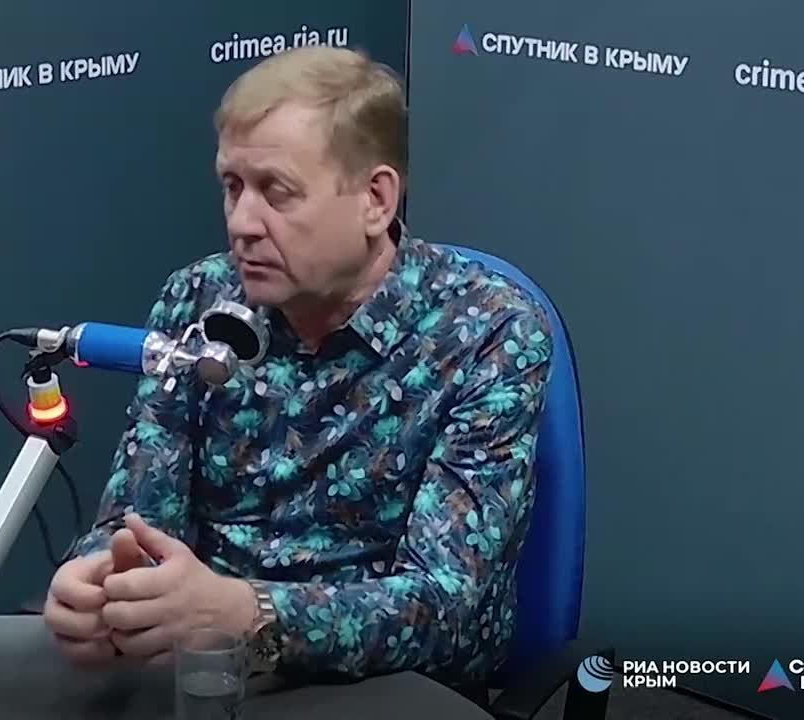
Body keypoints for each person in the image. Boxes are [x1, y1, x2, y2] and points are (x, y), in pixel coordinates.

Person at [42, 45, 552, 693]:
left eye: (276, 192)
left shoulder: (488, 332)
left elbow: (447, 607)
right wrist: (99, 579)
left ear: (375, 199)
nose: (242, 223)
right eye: (232, 187)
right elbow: (136, 518)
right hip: (197, 661)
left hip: (385, 683)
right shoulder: (197, 300)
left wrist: (248, 613)